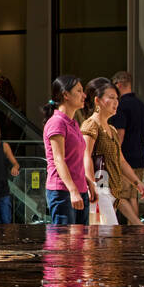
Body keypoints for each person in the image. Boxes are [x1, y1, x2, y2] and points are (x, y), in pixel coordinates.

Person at [80, 77, 144, 226]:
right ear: (97, 101)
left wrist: (136, 182)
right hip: (99, 187)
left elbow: (121, 160)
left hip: (111, 190)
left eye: (117, 98)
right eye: (111, 97)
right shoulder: (91, 124)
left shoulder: (112, 129)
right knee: (108, 233)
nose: (116, 102)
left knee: (102, 239)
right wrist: (92, 185)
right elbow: (86, 156)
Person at [42, 75, 89, 225]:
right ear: (66, 95)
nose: (84, 95)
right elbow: (58, 159)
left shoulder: (73, 123)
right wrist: (73, 191)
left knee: (80, 243)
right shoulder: (57, 122)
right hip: (63, 191)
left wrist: (88, 184)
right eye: (79, 91)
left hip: (79, 189)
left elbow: (75, 159)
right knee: (63, 243)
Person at [109, 70, 144, 176]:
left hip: (124, 160)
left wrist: (112, 157)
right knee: (136, 191)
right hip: (140, 158)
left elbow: (119, 134)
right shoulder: (141, 105)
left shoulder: (120, 105)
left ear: (119, 85)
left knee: (123, 192)